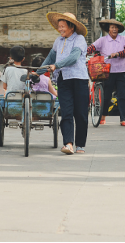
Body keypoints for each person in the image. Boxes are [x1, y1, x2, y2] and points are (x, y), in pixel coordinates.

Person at [38, 12, 89, 155]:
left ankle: (80, 145)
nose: (60, 29)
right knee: (66, 112)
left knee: (80, 114)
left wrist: (57, 65)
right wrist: (38, 72)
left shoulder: (79, 39)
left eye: (63, 26)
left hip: (79, 79)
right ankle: (68, 144)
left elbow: (73, 58)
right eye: (59, 26)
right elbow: (49, 59)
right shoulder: (58, 41)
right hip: (64, 80)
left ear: (71, 27)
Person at [87, 19, 125, 127]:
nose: (114, 29)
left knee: (122, 96)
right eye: (112, 27)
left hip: (122, 71)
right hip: (107, 71)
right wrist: (83, 53)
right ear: (108, 29)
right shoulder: (102, 40)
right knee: (106, 96)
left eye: (116, 28)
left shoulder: (123, 39)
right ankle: (103, 116)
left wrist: (117, 54)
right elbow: (91, 48)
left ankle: (123, 119)